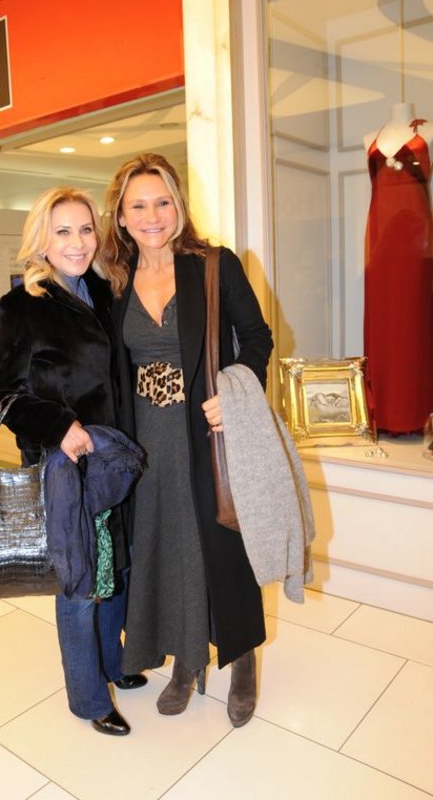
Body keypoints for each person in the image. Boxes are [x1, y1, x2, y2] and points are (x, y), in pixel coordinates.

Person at [98, 153, 274, 727]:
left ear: (178, 206)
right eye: (138, 206)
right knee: (163, 545)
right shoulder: (115, 280)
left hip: (207, 430)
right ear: (121, 216)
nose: (152, 216)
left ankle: (242, 659)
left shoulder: (213, 265)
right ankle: (184, 659)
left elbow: (258, 337)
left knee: (221, 544)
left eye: (162, 202)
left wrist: (238, 390)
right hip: (145, 440)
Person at [0, 186, 146, 737]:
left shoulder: (102, 291)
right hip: (64, 468)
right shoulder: (20, 307)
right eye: (63, 231)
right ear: (41, 241)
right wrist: (60, 427)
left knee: (116, 568)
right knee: (79, 582)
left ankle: (114, 663)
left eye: (85, 229)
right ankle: (88, 698)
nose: (77, 243)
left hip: (112, 461)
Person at [363, 102, 433, 433]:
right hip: (380, 242)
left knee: (414, 323)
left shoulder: (428, 133)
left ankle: (415, 414)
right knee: (384, 323)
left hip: (416, 244)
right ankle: (385, 413)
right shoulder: (369, 137)